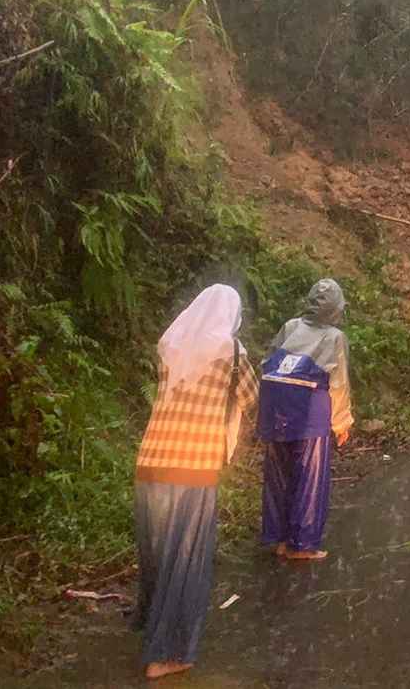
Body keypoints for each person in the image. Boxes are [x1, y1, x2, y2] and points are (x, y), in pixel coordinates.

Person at [132, 284, 259, 681]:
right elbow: (252, 398)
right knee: (186, 560)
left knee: (157, 552)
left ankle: (149, 622)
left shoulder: (170, 345)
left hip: (151, 463)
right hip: (194, 466)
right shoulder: (232, 353)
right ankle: (169, 652)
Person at [258, 278, 354, 561]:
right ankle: (303, 544)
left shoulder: (290, 326)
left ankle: (279, 538)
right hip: (310, 412)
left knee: (278, 475)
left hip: (276, 409)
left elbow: (268, 361)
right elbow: (338, 383)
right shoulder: (335, 337)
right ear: (337, 308)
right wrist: (341, 423)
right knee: (310, 478)